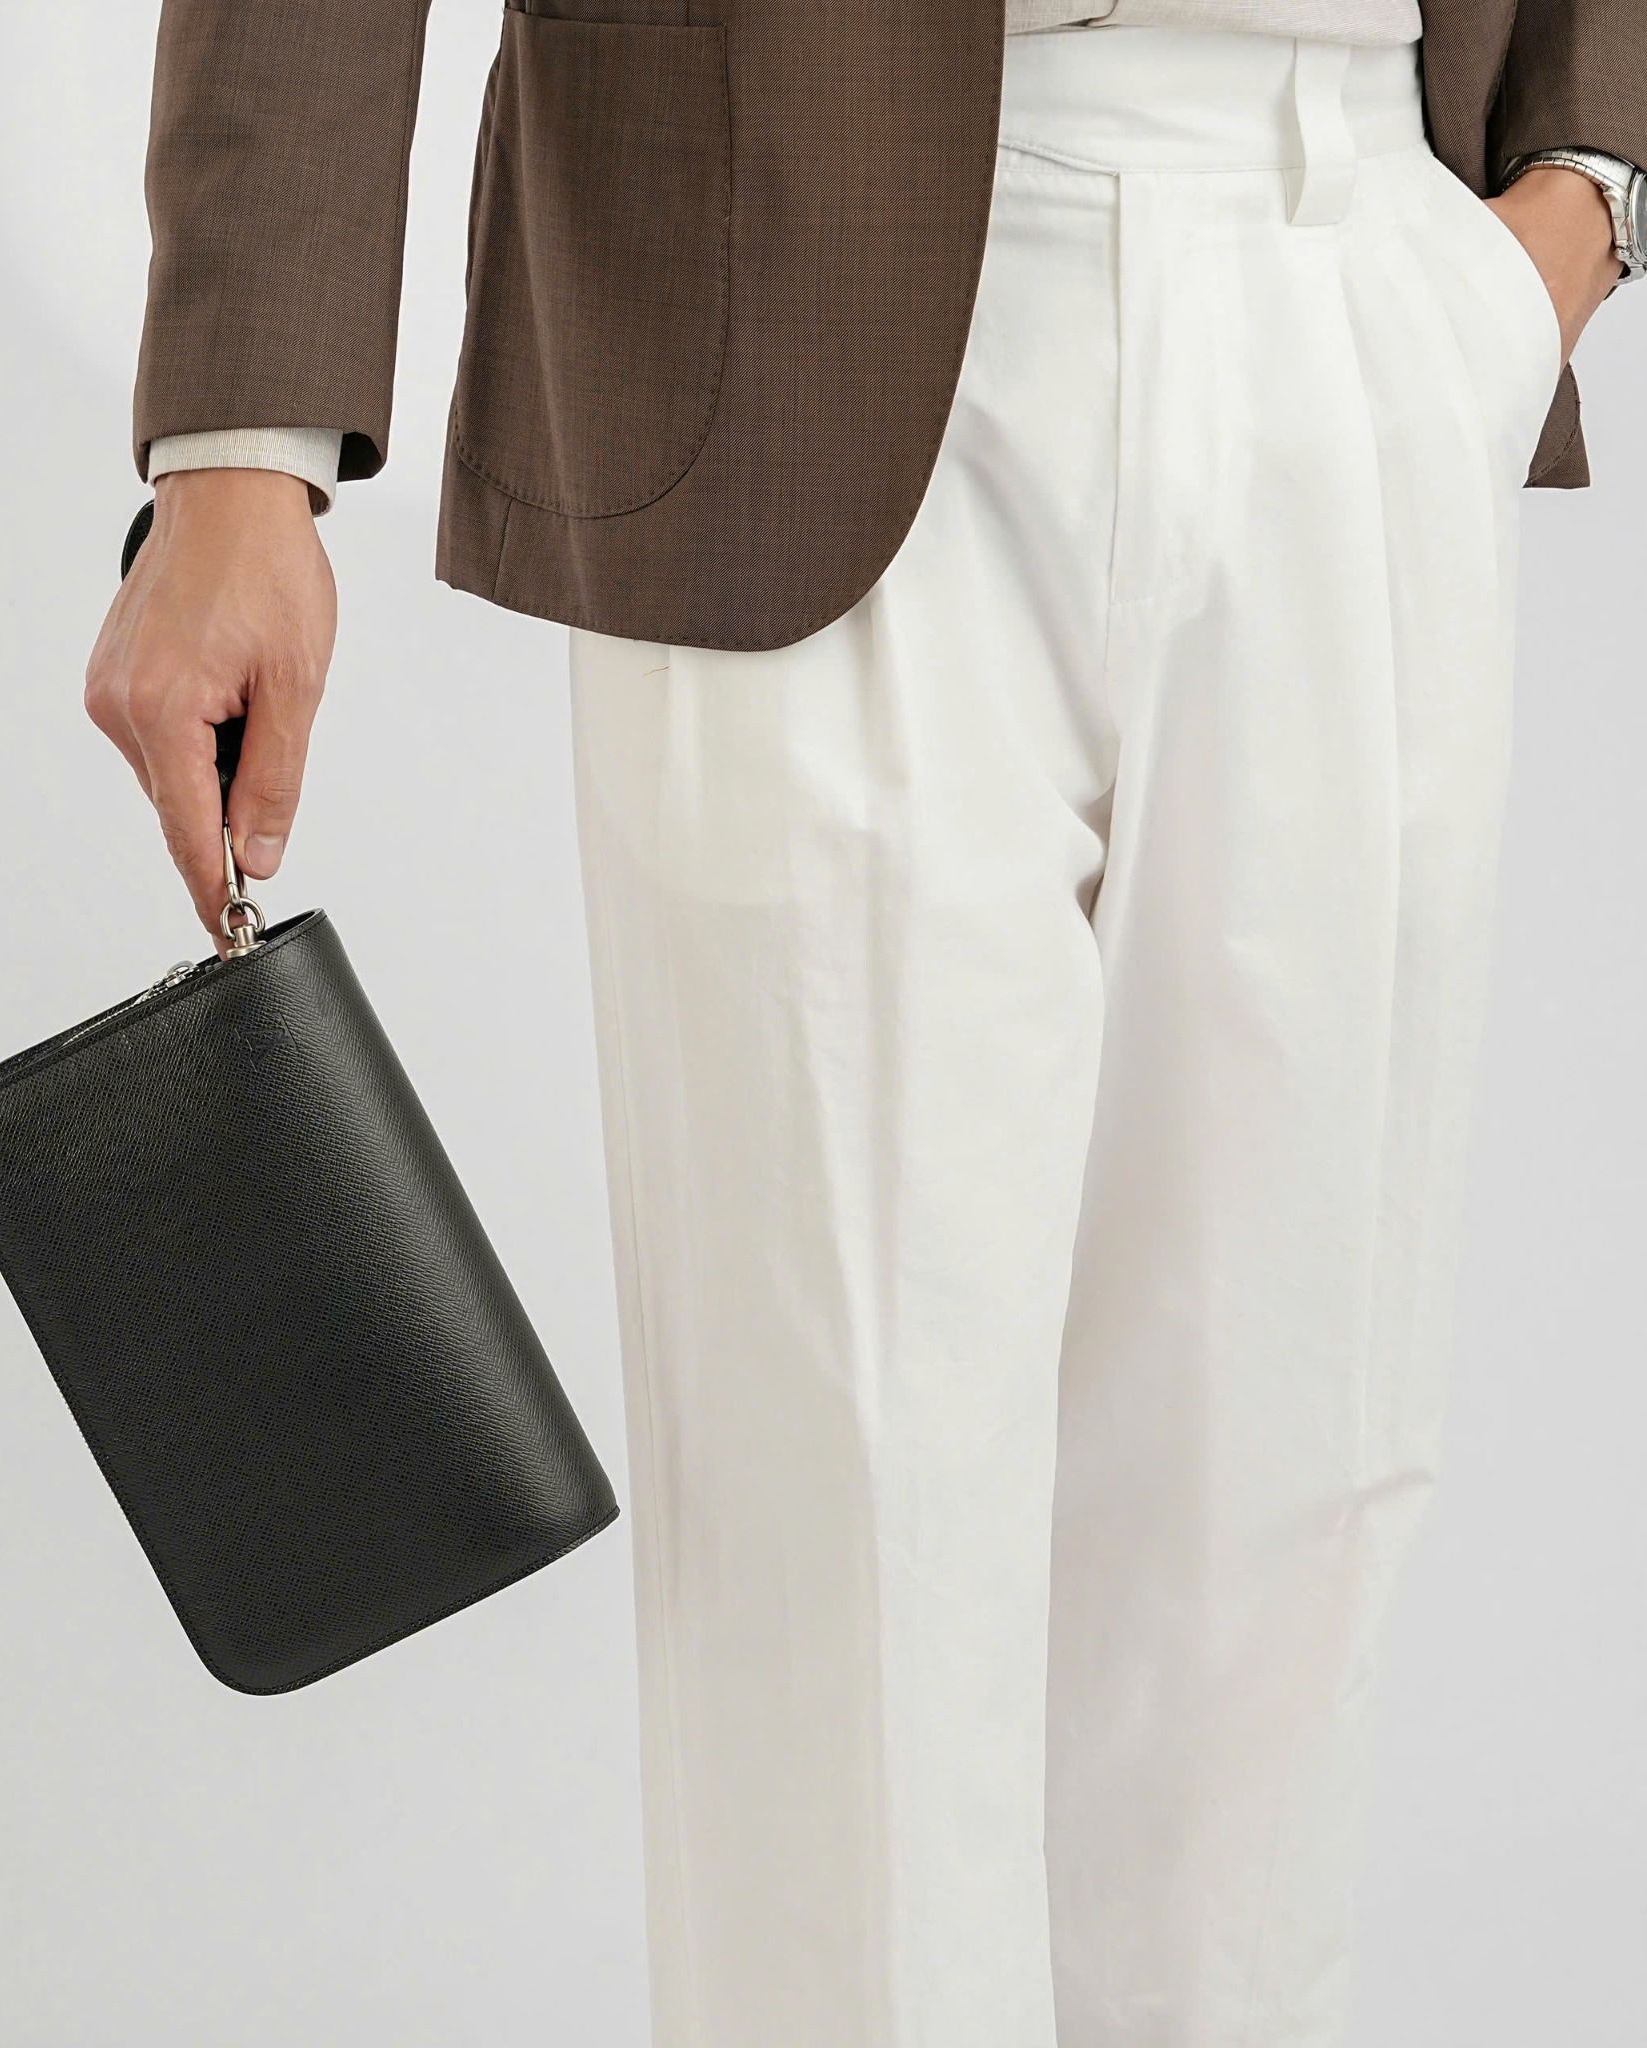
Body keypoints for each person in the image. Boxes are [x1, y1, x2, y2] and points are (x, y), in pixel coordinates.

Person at [84, 4, 1644, 2042]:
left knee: (1289, 1517)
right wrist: (239, 443)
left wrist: (1581, 193)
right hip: (775, 270)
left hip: (1364, 254)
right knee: (839, 1553)